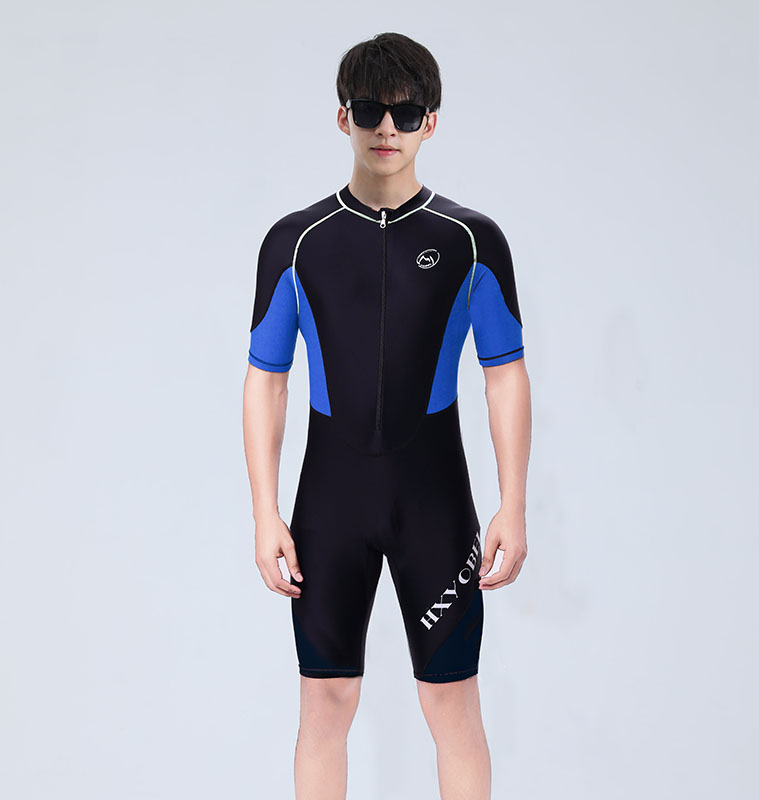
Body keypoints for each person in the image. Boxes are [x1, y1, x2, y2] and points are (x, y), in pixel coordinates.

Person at [242, 31, 531, 800]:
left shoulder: (471, 241)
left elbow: (504, 373)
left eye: (405, 114)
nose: (386, 130)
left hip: (433, 503)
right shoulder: (295, 242)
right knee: (325, 703)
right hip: (329, 504)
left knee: (452, 705)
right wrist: (265, 513)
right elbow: (266, 380)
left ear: (430, 122)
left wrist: (514, 503)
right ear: (343, 117)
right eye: (369, 110)